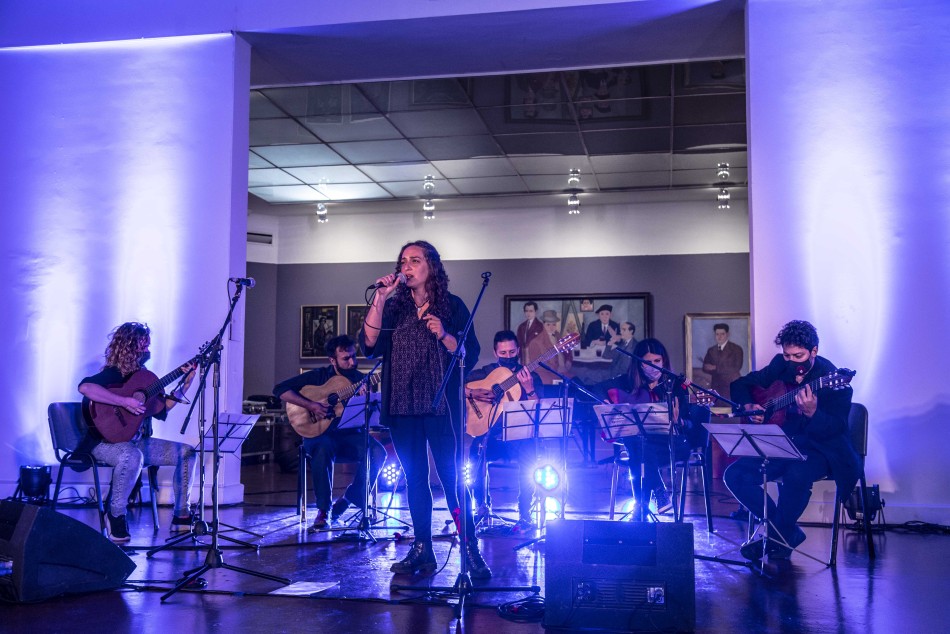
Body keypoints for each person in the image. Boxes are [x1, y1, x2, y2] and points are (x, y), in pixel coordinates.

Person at [359, 240, 490, 578]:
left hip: (440, 407)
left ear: (431, 266)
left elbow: (468, 354)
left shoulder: (453, 306)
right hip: (402, 404)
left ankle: (471, 548)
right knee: (415, 478)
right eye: (403, 260)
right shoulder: (394, 307)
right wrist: (380, 297)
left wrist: (445, 335)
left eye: (415, 260)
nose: (407, 266)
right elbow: (369, 344)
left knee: (451, 479)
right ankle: (422, 549)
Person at [724, 320, 859, 561]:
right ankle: (786, 533)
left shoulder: (833, 381)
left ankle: (773, 538)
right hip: (785, 441)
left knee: (797, 474)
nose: (792, 361)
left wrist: (813, 414)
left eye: (799, 355)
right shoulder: (780, 365)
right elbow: (741, 384)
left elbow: (837, 428)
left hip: (823, 449)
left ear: (814, 351)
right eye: (787, 355)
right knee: (735, 475)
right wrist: (749, 405)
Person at [77, 322, 197, 543]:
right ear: (130, 347)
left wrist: (187, 383)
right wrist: (124, 401)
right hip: (104, 443)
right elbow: (86, 388)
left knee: (188, 452)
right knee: (132, 456)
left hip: (137, 441)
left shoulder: (146, 379)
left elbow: (163, 407)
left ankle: (182, 514)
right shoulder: (113, 374)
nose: (147, 351)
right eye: (144, 346)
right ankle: (115, 514)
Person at [274, 335, 386, 532]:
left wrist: (366, 400)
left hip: (349, 436)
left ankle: (351, 497)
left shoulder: (361, 379)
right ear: (332, 360)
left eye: (353, 356)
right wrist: (312, 405)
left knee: (378, 452)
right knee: (323, 446)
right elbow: (280, 390)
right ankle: (324, 511)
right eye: (346, 358)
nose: (352, 362)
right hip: (318, 434)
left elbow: (369, 414)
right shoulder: (319, 376)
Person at [609, 338, 703, 514]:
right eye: (647, 362)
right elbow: (598, 389)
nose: (653, 366)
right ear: (639, 364)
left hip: (673, 445)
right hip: (644, 447)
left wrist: (679, 422)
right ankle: (657, 492)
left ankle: (641, 508)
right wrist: (607, 401)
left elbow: (691, 425)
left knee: (638, 452)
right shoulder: (628, 384)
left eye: (657, 361)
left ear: (664, 361)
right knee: (638, 446)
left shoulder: (676, 385)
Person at [465, 330, 543, 529]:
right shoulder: (485, 373)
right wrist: (472, 392)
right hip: (490, 433)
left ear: (518, 350)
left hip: (519, 437)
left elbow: (538, 412)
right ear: (495, 353)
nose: (508, 357)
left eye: (511, 352)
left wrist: (529, 389)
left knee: (530, 456)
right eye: (503, 353)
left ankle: (525, 513)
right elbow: (455, 386)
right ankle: (481, 506)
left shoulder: (530, 376)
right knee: (475, 456)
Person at [527, 310, 572, 384]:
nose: (551, 327)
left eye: (553, 324)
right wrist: (556, 369)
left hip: (563, 373)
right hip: (546, 375)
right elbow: (536, 365)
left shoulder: (559, 337)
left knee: (575, 384)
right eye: (548, 325)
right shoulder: (536, 342)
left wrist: (566, 365)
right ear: (543, 324)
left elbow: (569, 354)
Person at [701, 323, 743, 398]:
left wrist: (715, 368)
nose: (719, 337)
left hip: (731, 386)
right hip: (716, 387)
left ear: (727, 334)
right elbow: (705, 367)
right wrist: (708, 367)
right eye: (717, 334)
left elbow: (736, 367)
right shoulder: (711, 350)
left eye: (722, 334)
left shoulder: (736, 349)